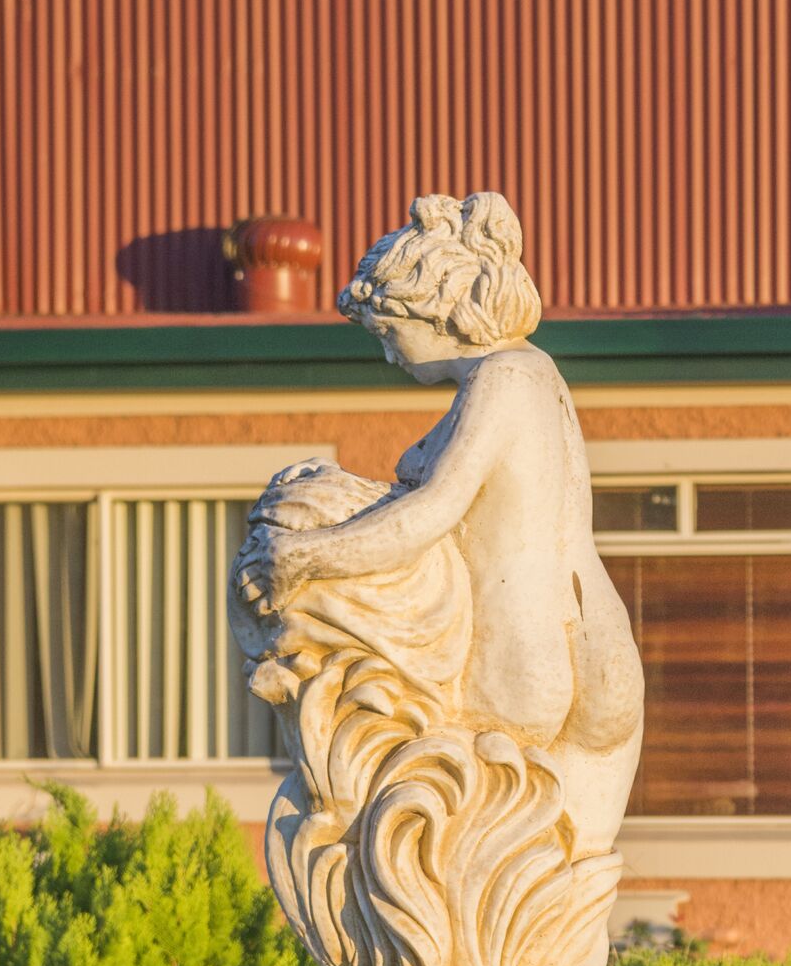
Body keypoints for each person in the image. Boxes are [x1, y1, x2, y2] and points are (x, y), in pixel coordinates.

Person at [238, 190, 642, 851]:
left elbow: (430, 513)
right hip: (602, 648)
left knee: (441, 879)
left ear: (431, 307)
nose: (390, 355)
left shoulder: (501, 379)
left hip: (520, 654)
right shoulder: (541, 375)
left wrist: (305, 556)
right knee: (562, 886)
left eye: (387, 332)